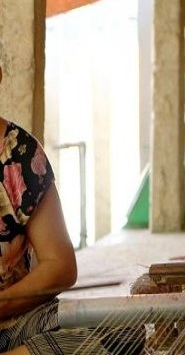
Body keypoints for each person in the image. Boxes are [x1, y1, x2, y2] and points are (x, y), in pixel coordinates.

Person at [0, 66, 143, 354]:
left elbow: (60, 265)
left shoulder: (21, 155)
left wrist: (3, 304)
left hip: (11, 322)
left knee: (126, 330)